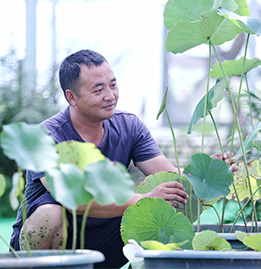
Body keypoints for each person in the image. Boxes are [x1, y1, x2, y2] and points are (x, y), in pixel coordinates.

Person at [10, 49, 237, 269]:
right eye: (98, 90)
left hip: (108, 241)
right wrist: (144, 198)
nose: (111, 96)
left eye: (113, 85)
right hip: (53, 246)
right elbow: (75, 201)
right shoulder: (48, 136)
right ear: (72, 97)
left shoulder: (129, 125)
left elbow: (169, 178)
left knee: (169, 197)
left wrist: (208, 173)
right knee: (51, 212)